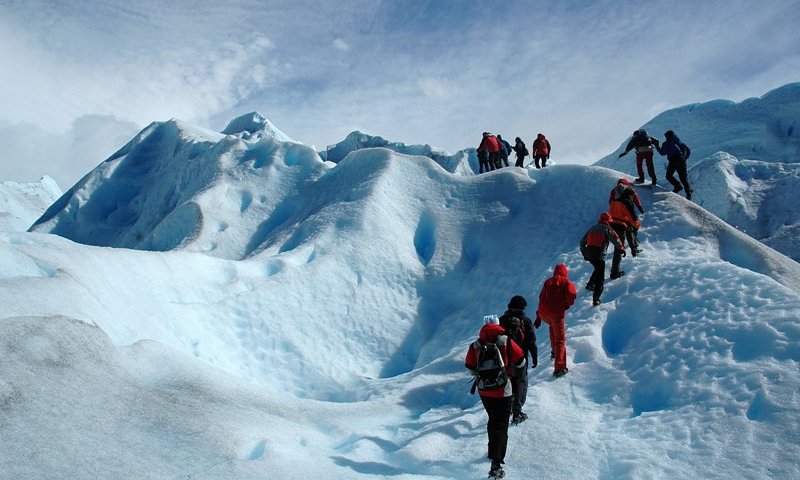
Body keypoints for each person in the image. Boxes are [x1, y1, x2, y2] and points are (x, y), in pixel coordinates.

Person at [465, 315, 525, 478]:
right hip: (503, 390)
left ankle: (492, 452)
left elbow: (470, 367)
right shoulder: (505, 340)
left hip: (484, 390)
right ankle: (495, 464)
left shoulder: (475, 345)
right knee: (501, 425)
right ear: (498, 326)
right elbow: (521, 360)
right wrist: (513, 374)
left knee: (493, 419)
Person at [498, 295, 537, 424]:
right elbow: (531, 340)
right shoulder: (525, 320)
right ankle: (517, 413)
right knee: (520, 383)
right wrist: (534, 356)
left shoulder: (501, 320)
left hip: (504, 360)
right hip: (520, 359)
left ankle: (506, 409)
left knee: (507, 383)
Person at [534, 264, 577, 377]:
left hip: (544, 312)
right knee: (560, 340)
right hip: (555, 313)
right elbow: (572, 295)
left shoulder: (548, 282)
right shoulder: (565, 281)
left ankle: (554, 352)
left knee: (552, 327)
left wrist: (538, 317)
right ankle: (560, 367)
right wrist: (566, 304)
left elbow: (541, 298)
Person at [580, 212, 625, 306]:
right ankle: (596, 299)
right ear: (608, 221)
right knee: (600, 277)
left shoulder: (592, 228)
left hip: (589, 253)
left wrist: (584, 252)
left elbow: (582, 242)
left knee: (597, 268)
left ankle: (590, 284)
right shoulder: (607, 229)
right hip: (599, 254)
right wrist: (621, 249)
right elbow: (615, 239)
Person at [608, 178, 644, 257]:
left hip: (616, 216)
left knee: (624, 234)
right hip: (626, 215)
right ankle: (634, 248)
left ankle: (621, 251)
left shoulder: (614, 190)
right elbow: (635, 198)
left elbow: (610, 202)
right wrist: (639, 206)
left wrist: (615, 207)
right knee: (631, 230)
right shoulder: (629, 189)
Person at [656, 130, 693, 200]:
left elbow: (662, 153)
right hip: (681, 159)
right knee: (683, 178)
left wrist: (657, 146)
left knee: (669, 176)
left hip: (673, 160)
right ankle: (688, 193)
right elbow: (688, 150)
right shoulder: (678, 142)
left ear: (666, 136)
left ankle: (678, 186)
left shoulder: (667, 143)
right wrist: (685, 158)